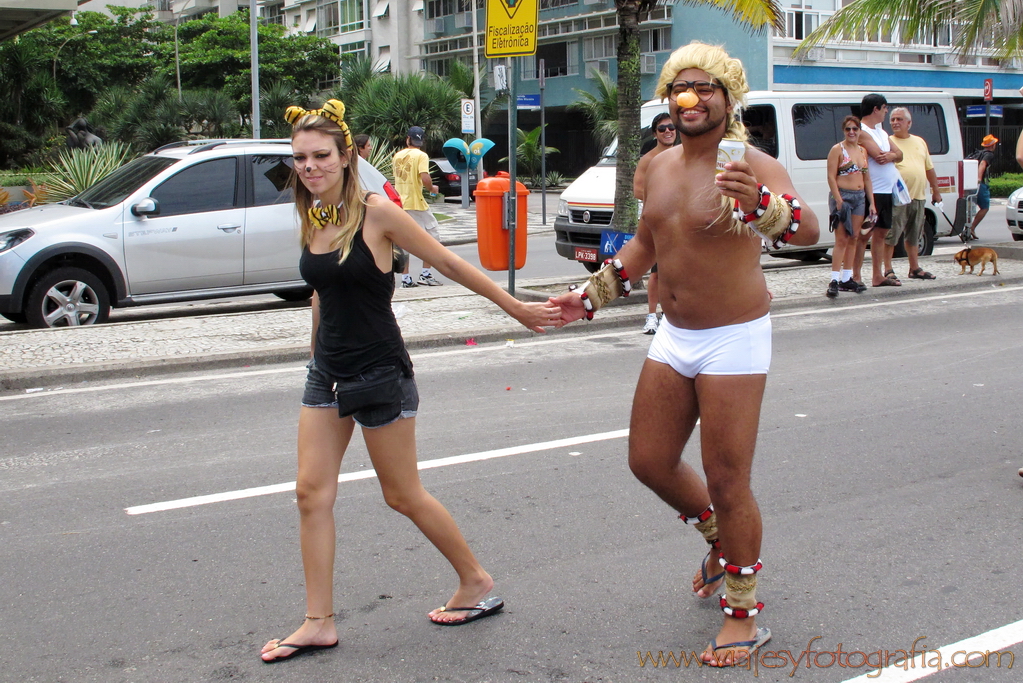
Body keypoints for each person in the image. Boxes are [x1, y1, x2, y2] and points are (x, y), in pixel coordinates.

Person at [260, 100, 561, 663]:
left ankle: (475, 580)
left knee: (401, 494)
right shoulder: (314, 214)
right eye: (301, 158)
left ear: (347, 156)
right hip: (327, 374)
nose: (309, 167)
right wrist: (314, 347)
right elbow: (322, 290)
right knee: (310, 495)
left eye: (321, 156)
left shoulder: (376, 213)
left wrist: (514, 308)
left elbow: (447, 263)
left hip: (379, 371)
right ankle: (318, 621)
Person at [550, 42, 819, 667]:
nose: (691, 98)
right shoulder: (657, 165)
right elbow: (648, 241)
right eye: (680, 87)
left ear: (729, 98)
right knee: (648, 460)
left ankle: (744, 616)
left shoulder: (753, 163)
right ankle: (722, 542)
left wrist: (760, 204)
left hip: (734, 336)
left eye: (705, 88)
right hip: (673, 334)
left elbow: (807, 231)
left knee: (727, 479)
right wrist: (590, 296)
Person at [884, 108, 941, 280]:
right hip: (898, 198)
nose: (895, 122)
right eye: (892, 119)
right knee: (891, 235)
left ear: (909, 123)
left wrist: (936, 191)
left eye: (899, 119)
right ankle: (888, 269)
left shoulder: (919, 142)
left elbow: (929, 168)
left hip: (918, 196)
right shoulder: (887, 142)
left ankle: (914, 268)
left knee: (915, 234)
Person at [634, 112, 678, 333]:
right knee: (657, 272)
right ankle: (651, 316)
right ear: (655, 133)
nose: (668, 131)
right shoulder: (649, 159)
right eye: (662, 129)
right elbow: (638, 190)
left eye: (671, 127)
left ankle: (673, 317)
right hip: (658, 222)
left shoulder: (685, 155)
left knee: (680, 271)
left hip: (682, 222)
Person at [857, 94, 903, 287]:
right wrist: (891, 155)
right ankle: (855, 275)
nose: (886, 112)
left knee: (882, 231)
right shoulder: (862, 130)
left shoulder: (882, 132)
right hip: (871, 190)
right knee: (864, 233)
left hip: (886, 189)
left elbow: (899, 154)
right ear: (876, 109)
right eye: (885, 109)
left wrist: (892, 155)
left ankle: (877, 275)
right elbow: (878, 156)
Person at [824, 115, 872, 297]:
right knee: (842, 238)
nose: (852, 132)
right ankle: (834, 278)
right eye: (848, 129)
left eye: (855, 129)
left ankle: (847, 277)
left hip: (859, 197)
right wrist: (838, 199)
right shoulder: (837, 150)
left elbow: (866, 177)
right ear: (844, 131)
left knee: (854, 237)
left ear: (859, 131)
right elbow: (831, 176)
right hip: (843, 196)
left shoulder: (862, 151)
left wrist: (871, 202)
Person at [393, 126, 443, 287]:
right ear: (421, 141)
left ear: (407, 139)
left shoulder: (397, 156)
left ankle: (406, 279)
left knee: (404, 240)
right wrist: (432, 189)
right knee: (432, 237)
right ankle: (425, 274)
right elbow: (425, 177)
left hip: (400, 202)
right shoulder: (421, 155)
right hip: (416, 202)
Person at [966, 134, 998, 241]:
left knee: (969, 207)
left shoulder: (978, 153)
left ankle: (968, 228)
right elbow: (983, 164)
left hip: (969, 183)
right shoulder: (989, 155)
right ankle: (972, 228)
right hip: (980, 184)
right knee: (984, 207)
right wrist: (979, 178)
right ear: (992, 145)